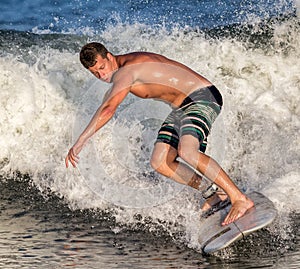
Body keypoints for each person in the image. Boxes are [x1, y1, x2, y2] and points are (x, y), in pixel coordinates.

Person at [65, 42, 254, 225]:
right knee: (160, 161)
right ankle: (213, 195)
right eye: (95, 73)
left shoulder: (127, 71)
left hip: (202, 97)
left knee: (187, 152)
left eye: (102, 67)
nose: (102, 74)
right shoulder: (121, 73)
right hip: (183, 108)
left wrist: (81, 141)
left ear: (109, 56)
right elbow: (105, 105)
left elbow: (108, 110)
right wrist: (82, 137)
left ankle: (239, 198)